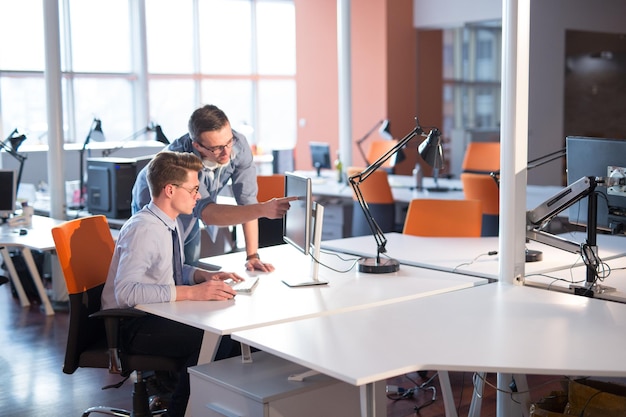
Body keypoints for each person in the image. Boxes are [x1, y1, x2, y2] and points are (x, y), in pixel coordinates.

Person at [102, 151, 246, 417]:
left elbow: (168, 271)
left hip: (155, 316)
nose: (199, 195)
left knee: (226, 338)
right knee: (214, 342)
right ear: (170, 190)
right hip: (132, 325)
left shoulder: (169, 222)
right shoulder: (144, 229)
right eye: (193, 189)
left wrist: (199, 275)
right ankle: (179, 412)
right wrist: (191, 292)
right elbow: (125, 292)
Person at [132, 104, 294, 270]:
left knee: (189, 264)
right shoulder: (180, 161)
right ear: (197, 146)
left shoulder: (238, 145)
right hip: (159, 202)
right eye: (216, 148)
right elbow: (207, 213)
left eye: (228, 142)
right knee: (161, 267)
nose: (226, 153)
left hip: (191, 208)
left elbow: (248, 203)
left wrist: (252, 256)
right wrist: (263, 210)